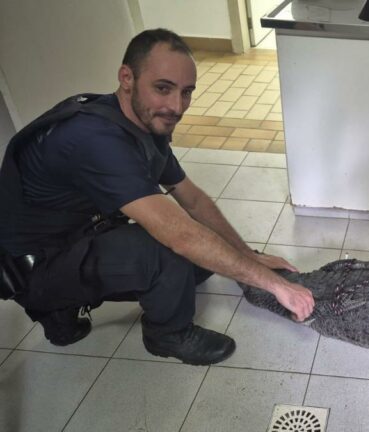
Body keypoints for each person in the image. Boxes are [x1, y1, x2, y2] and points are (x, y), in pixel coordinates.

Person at [0, 28, 314, 365]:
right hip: (36, 267)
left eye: (187, 92)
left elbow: (192, 200)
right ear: (127, 78)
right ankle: (167, 334)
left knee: (199, 260)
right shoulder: (95, 140)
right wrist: (275, 286)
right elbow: (180, 234)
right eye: (163, 88)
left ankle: (62, 309)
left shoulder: (143, 123)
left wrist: (249, 257)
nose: (176, 106)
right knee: (169, 251)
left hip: (77, 233)